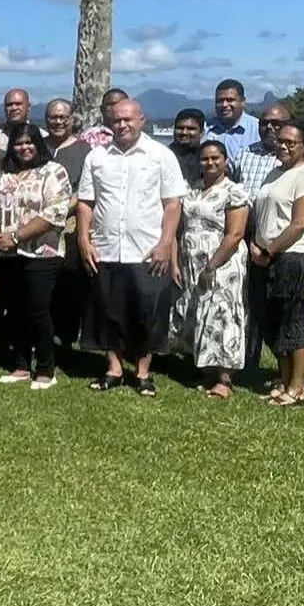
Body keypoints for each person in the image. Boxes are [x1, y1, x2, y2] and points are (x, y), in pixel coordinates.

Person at [76, 99, 187, 397]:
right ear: (109, 123)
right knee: (106, 311)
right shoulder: (97, 157)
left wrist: (165, 244)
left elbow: (172, 204)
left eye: (128, 120)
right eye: (116, 120)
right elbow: (86, 202)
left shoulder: (161, 155)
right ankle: (113, 368)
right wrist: (83, 240)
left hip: (147, 249)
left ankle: (143, 372)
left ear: (142, 120)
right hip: (106, 247)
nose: (122, 125)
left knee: (147, 312)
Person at [0, 123, 73, 390]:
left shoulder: (53, 171)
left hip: (41, 253)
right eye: (18, 143)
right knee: (15, 310)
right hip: (4, 252)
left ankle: (46, 368)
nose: (24, 148)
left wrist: (16, 236)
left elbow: (55, 212)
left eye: (29, 142)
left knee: (37, 310)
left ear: (38, 143)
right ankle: (21, 365)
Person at [249, 122, 304, 407]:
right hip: (265, 254)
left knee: (294, 319)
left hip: (294, 256)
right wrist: (256, 245)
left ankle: (298, 387)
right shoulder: (275, 172)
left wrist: (269, 251)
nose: (283, 146)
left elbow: (299, 224)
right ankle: (284, 378)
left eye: (291, 142)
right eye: (280, 141)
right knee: (273, 319)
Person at [168, 141, 250, 398]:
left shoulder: (234, 192)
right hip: (191, 259)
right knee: (198, 312)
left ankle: (225, 378)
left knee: (222, 314)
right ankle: (206, 370)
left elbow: (235, 234)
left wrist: (212, 265)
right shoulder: (191, 190)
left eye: (216, 158)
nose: (210, 163)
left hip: (222, 261)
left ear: (226, 161)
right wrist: (175, 261)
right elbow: (178, 229)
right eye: (205, 159)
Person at [235, 103, 294, 372]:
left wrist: (275, 247)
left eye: (276, 123)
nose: (269, 127)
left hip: (286, 245)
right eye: (264, 123)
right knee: (250, 305)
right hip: (248, 241)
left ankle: (287, 369)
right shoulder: (245, 155)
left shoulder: (298, 159)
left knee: (282, 309)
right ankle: (248, 361)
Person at [45, 99, 91, 351]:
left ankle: (67, 338)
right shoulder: (38, 146)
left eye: (63, 117)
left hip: (71, 226)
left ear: (72, 118)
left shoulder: (85, 151)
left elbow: (85, 190)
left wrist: (58, 212)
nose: (58, 122)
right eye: (53, 117)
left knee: (70, 285)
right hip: (38, 228)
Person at [207, 79, 262, 161]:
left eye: (230, 100)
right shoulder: (206, 129)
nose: (224, 105)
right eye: (220, 101)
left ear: (243, 101)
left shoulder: (258, 130)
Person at [170, 108, 206, 184]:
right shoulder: (163, 155)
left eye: (190, 129)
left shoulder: (208, 158)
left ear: (202, 132)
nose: (184, 132)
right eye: (180, 128)